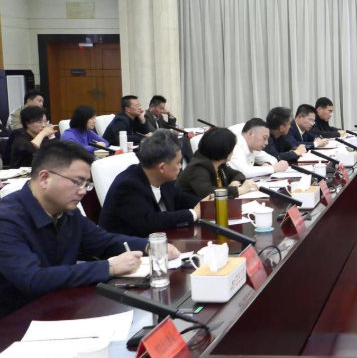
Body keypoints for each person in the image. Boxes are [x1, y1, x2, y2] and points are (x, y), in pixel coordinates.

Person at [0, 141, 180, 319]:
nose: (83, 191)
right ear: (45, 178)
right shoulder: (6, 219)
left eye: (86, 184)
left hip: (60, 306)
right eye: (77, 182)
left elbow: (104, 242)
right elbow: (33, 279)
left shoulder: (68, 212)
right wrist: (109, 267)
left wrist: (148, 246)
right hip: (16, 321)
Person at [99, 129, 203, 238]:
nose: (180, 167)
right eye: (178, 163)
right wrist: (193, 214)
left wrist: (205, 204)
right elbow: (150, 222)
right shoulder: (127, 186)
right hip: (129, 246)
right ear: (162, 167)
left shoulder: (162, 178)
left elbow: (181, 198)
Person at [177, 127, 258, 199]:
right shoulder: (197, 167)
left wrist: (235, 182)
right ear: (224, 150)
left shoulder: (219, 163)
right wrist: (240, 190)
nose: (233, 151)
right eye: (232, 148)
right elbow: (208, 192)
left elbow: (238, 174)